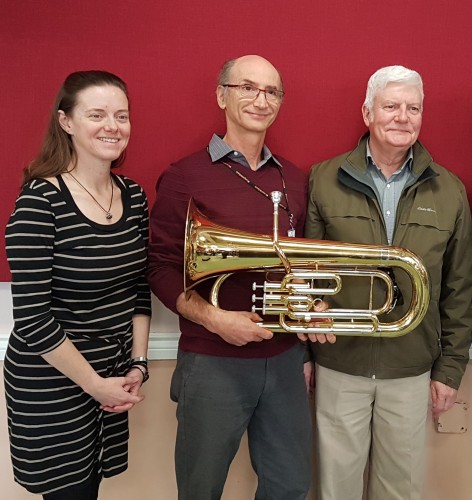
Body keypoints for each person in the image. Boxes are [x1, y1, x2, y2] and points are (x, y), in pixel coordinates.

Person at [147, 54, 325, 500]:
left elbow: (299, 265)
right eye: (247, 87)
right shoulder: (185, 175)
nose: (260, 99)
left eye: (270, 91)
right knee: (201, 487)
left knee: (290, 485)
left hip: (284, 360)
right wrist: (213, 319)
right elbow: (160, 265)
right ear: (221, 95)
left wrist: (312, 306)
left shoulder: (296, 179)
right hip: (211, 362)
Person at [305, 65, 472, 500]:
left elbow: (460, 289)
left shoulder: (451, 191)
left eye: (413, 108)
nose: (403, 116)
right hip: (340, 363)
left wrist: (450, 370)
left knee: (400, 491)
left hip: (412, 368)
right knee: (335, 489)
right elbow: (306, 273)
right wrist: (303, 351)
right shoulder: (324, 178)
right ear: (367, 113)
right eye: (391, 105)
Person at [4, 70, 151, 500]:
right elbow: (32, 320)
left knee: (92, 486)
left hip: (112, 373)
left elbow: (138, 288)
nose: (113, 126)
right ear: (66, 122)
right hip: (52, 380)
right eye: (97, 114)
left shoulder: (134, 195)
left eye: (121, 116)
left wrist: (138, 366)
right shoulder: (39, 202)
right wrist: (94, 384)